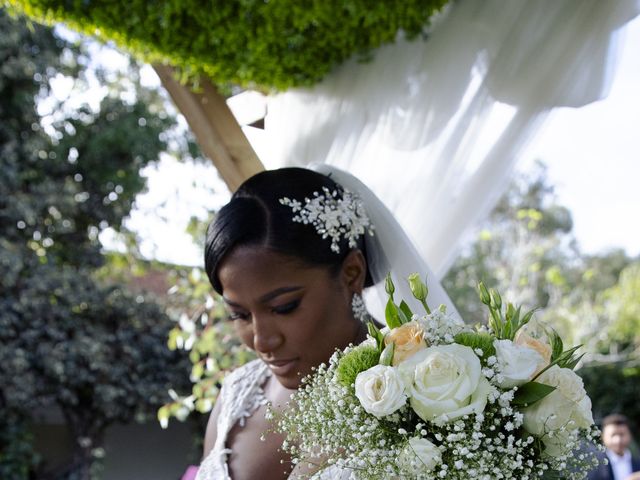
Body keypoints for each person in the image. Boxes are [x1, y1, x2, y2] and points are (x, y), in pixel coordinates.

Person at [194, 166, 458, 480]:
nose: (262, 342)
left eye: (284, 307)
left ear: (351, 274)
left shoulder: (436, 393)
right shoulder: (235, 399)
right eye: (240, 314)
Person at [588, 414, 640, 480]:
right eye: (613, 435)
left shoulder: (638, 463)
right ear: (603, 437)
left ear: (630, 435)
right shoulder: (594, 466)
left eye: (622, 434)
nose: (618, 440)